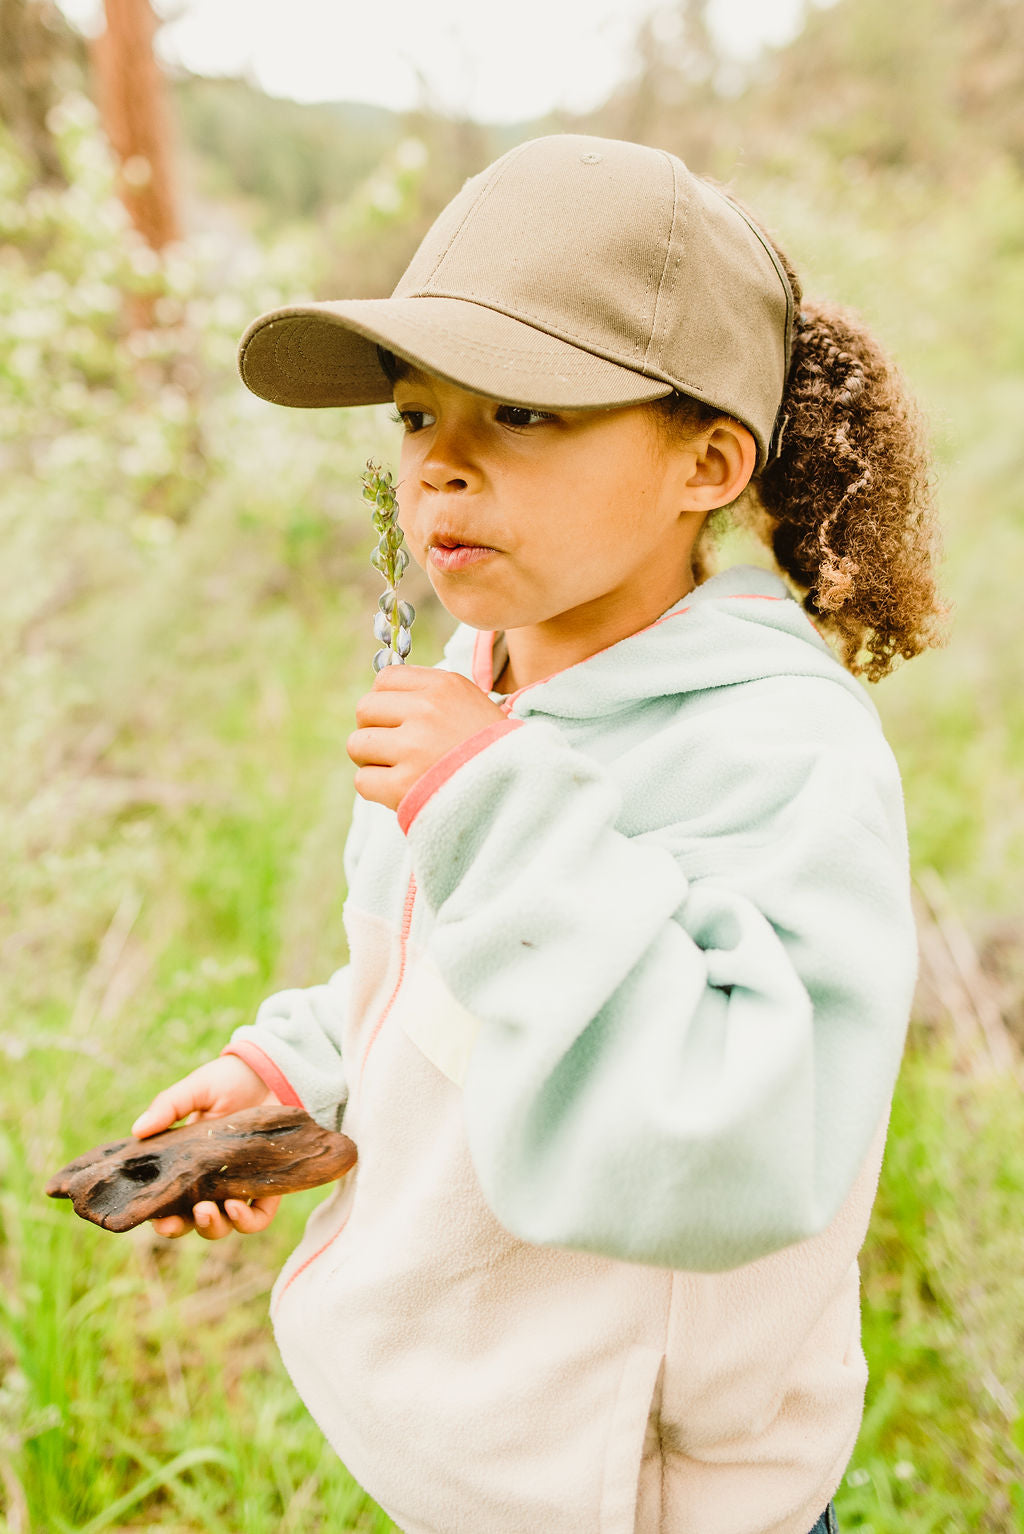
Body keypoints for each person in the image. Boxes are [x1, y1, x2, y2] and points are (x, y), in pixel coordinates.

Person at [131, 134, 946, 1534]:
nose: (442, 460)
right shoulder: (482, 679)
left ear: (707, 458)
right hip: (472, 1461)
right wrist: (295, 1066)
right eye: (412, 412)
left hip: (650, 1498)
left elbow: (748, 1135)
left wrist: (492, 802)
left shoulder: (779, 751)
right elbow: (434, 974)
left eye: (520, 411)